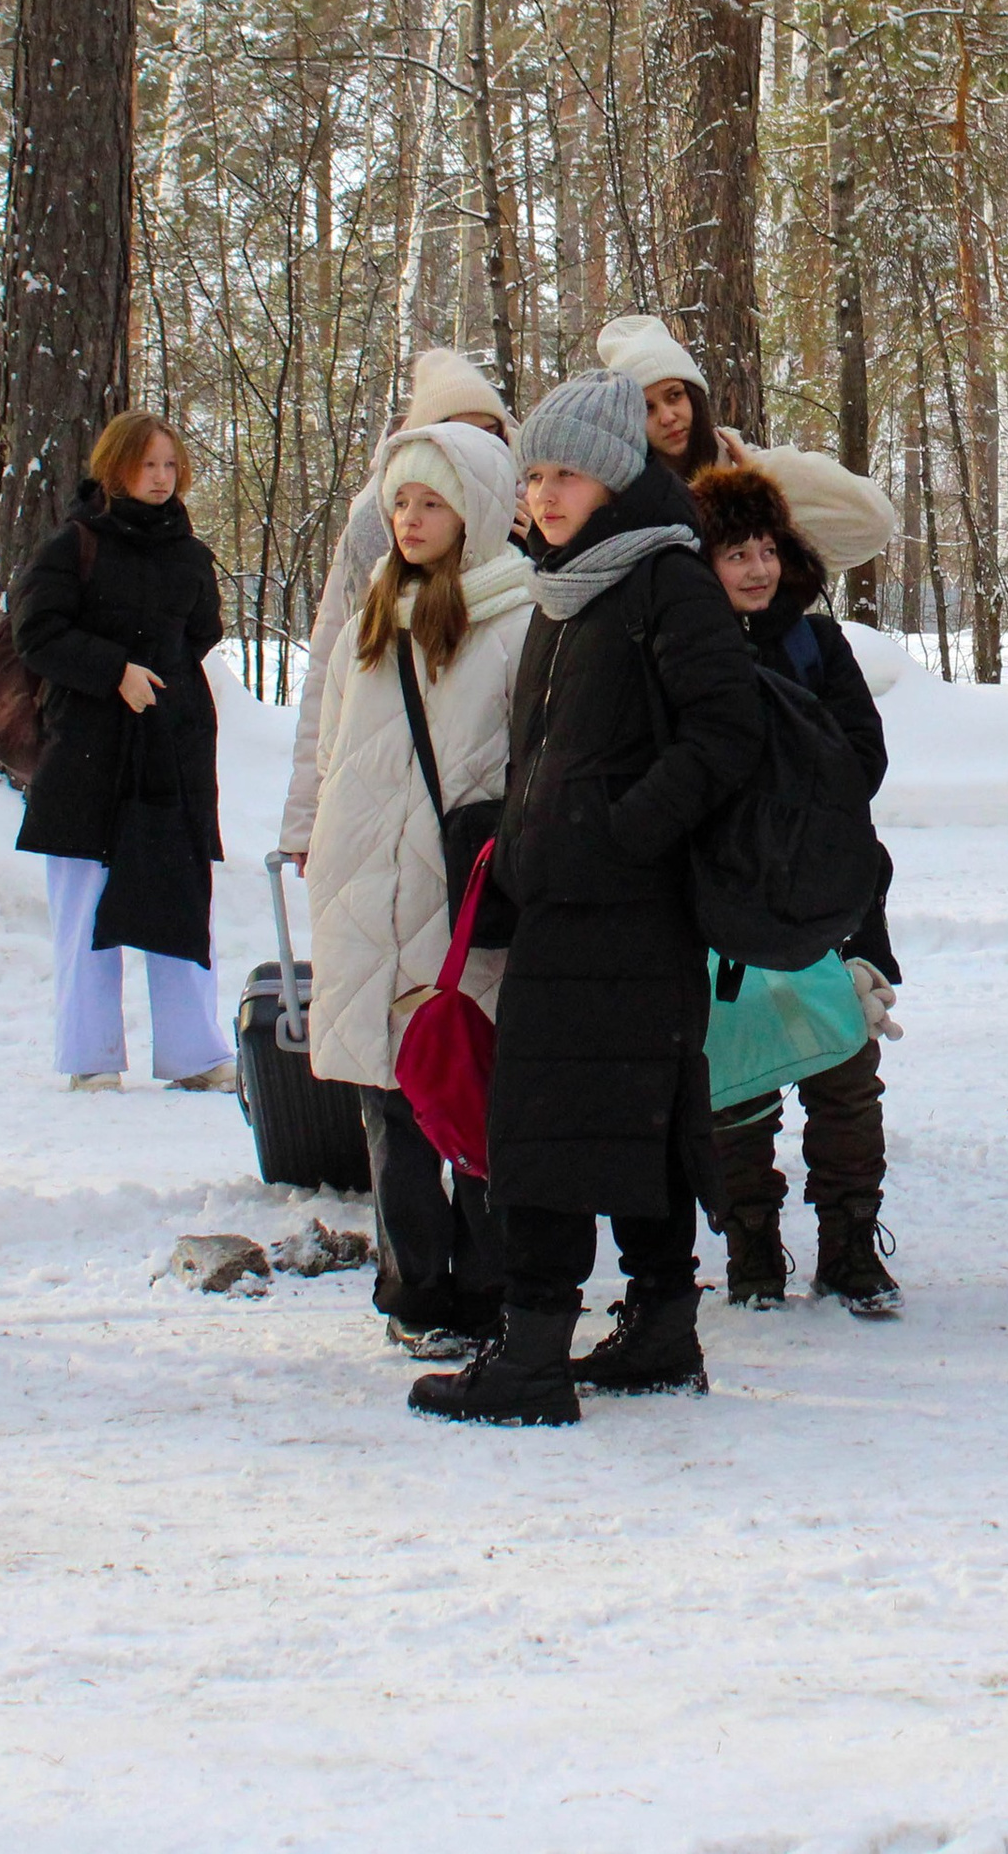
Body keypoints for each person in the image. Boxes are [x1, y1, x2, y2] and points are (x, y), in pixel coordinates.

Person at [409, 370, 764, 1427]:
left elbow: (725, 735)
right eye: (534, 477)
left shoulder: (666, 581)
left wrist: (618, 834)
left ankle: (531, 1356)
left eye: (565, 474)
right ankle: (661, 1329)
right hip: (566, 901)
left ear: (613, 474)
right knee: (630, 1118)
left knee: (544, 1127)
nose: (543, 494)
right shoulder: (568, 585)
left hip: (626, 907)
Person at [306, 424, 531, 1356]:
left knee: (468, 1091)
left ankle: (486, 1289)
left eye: (432, 501)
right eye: (401, 500)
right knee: (390, 1105)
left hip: (459, 894)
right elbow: (331, 745)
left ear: (474, 511)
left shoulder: (515, 618)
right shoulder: (373, 612)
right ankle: (412, 1289)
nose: (410, 519)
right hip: (365, 886)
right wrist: (316, 841)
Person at [691, 460, 905, 1315]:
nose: (757, 569)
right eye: (735, 553)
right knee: (737, 1080)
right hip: (724, 902)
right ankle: (751, 1246)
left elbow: (866, 758)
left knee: (847, 1070)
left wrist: (788, 783)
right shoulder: (682, 646)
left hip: (826, 892)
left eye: (767, 549)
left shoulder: (817, 642)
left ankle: (851, 1241)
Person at [13, 411, 236, 1094]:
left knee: (180, 892)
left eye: (170, 465)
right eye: (147, 465)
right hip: (86, 749)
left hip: (171, 747)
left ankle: (196, 1054)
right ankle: (91, 1055)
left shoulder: (190, 553)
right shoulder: (73, 544)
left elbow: (203, 630)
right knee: (83, 902)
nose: (161, 478)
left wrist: (164, 684)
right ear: (115, 467)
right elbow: (36, 633)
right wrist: (115, 670)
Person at [281, 349, 513, 864]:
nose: (474, 444)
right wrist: (306, 818)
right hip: (375, 824)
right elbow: (333, 668)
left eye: (488, 431)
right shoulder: (376, 522)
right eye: (456, 429)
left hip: (473, 838)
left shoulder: (536, 499)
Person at [598, 314, 901, 577]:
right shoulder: (626, 501)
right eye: (647, 408)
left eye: (674, 395)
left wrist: (765, 478)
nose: (667, 417)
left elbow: (874, 523)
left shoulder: (748, 475)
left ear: (695, 396)